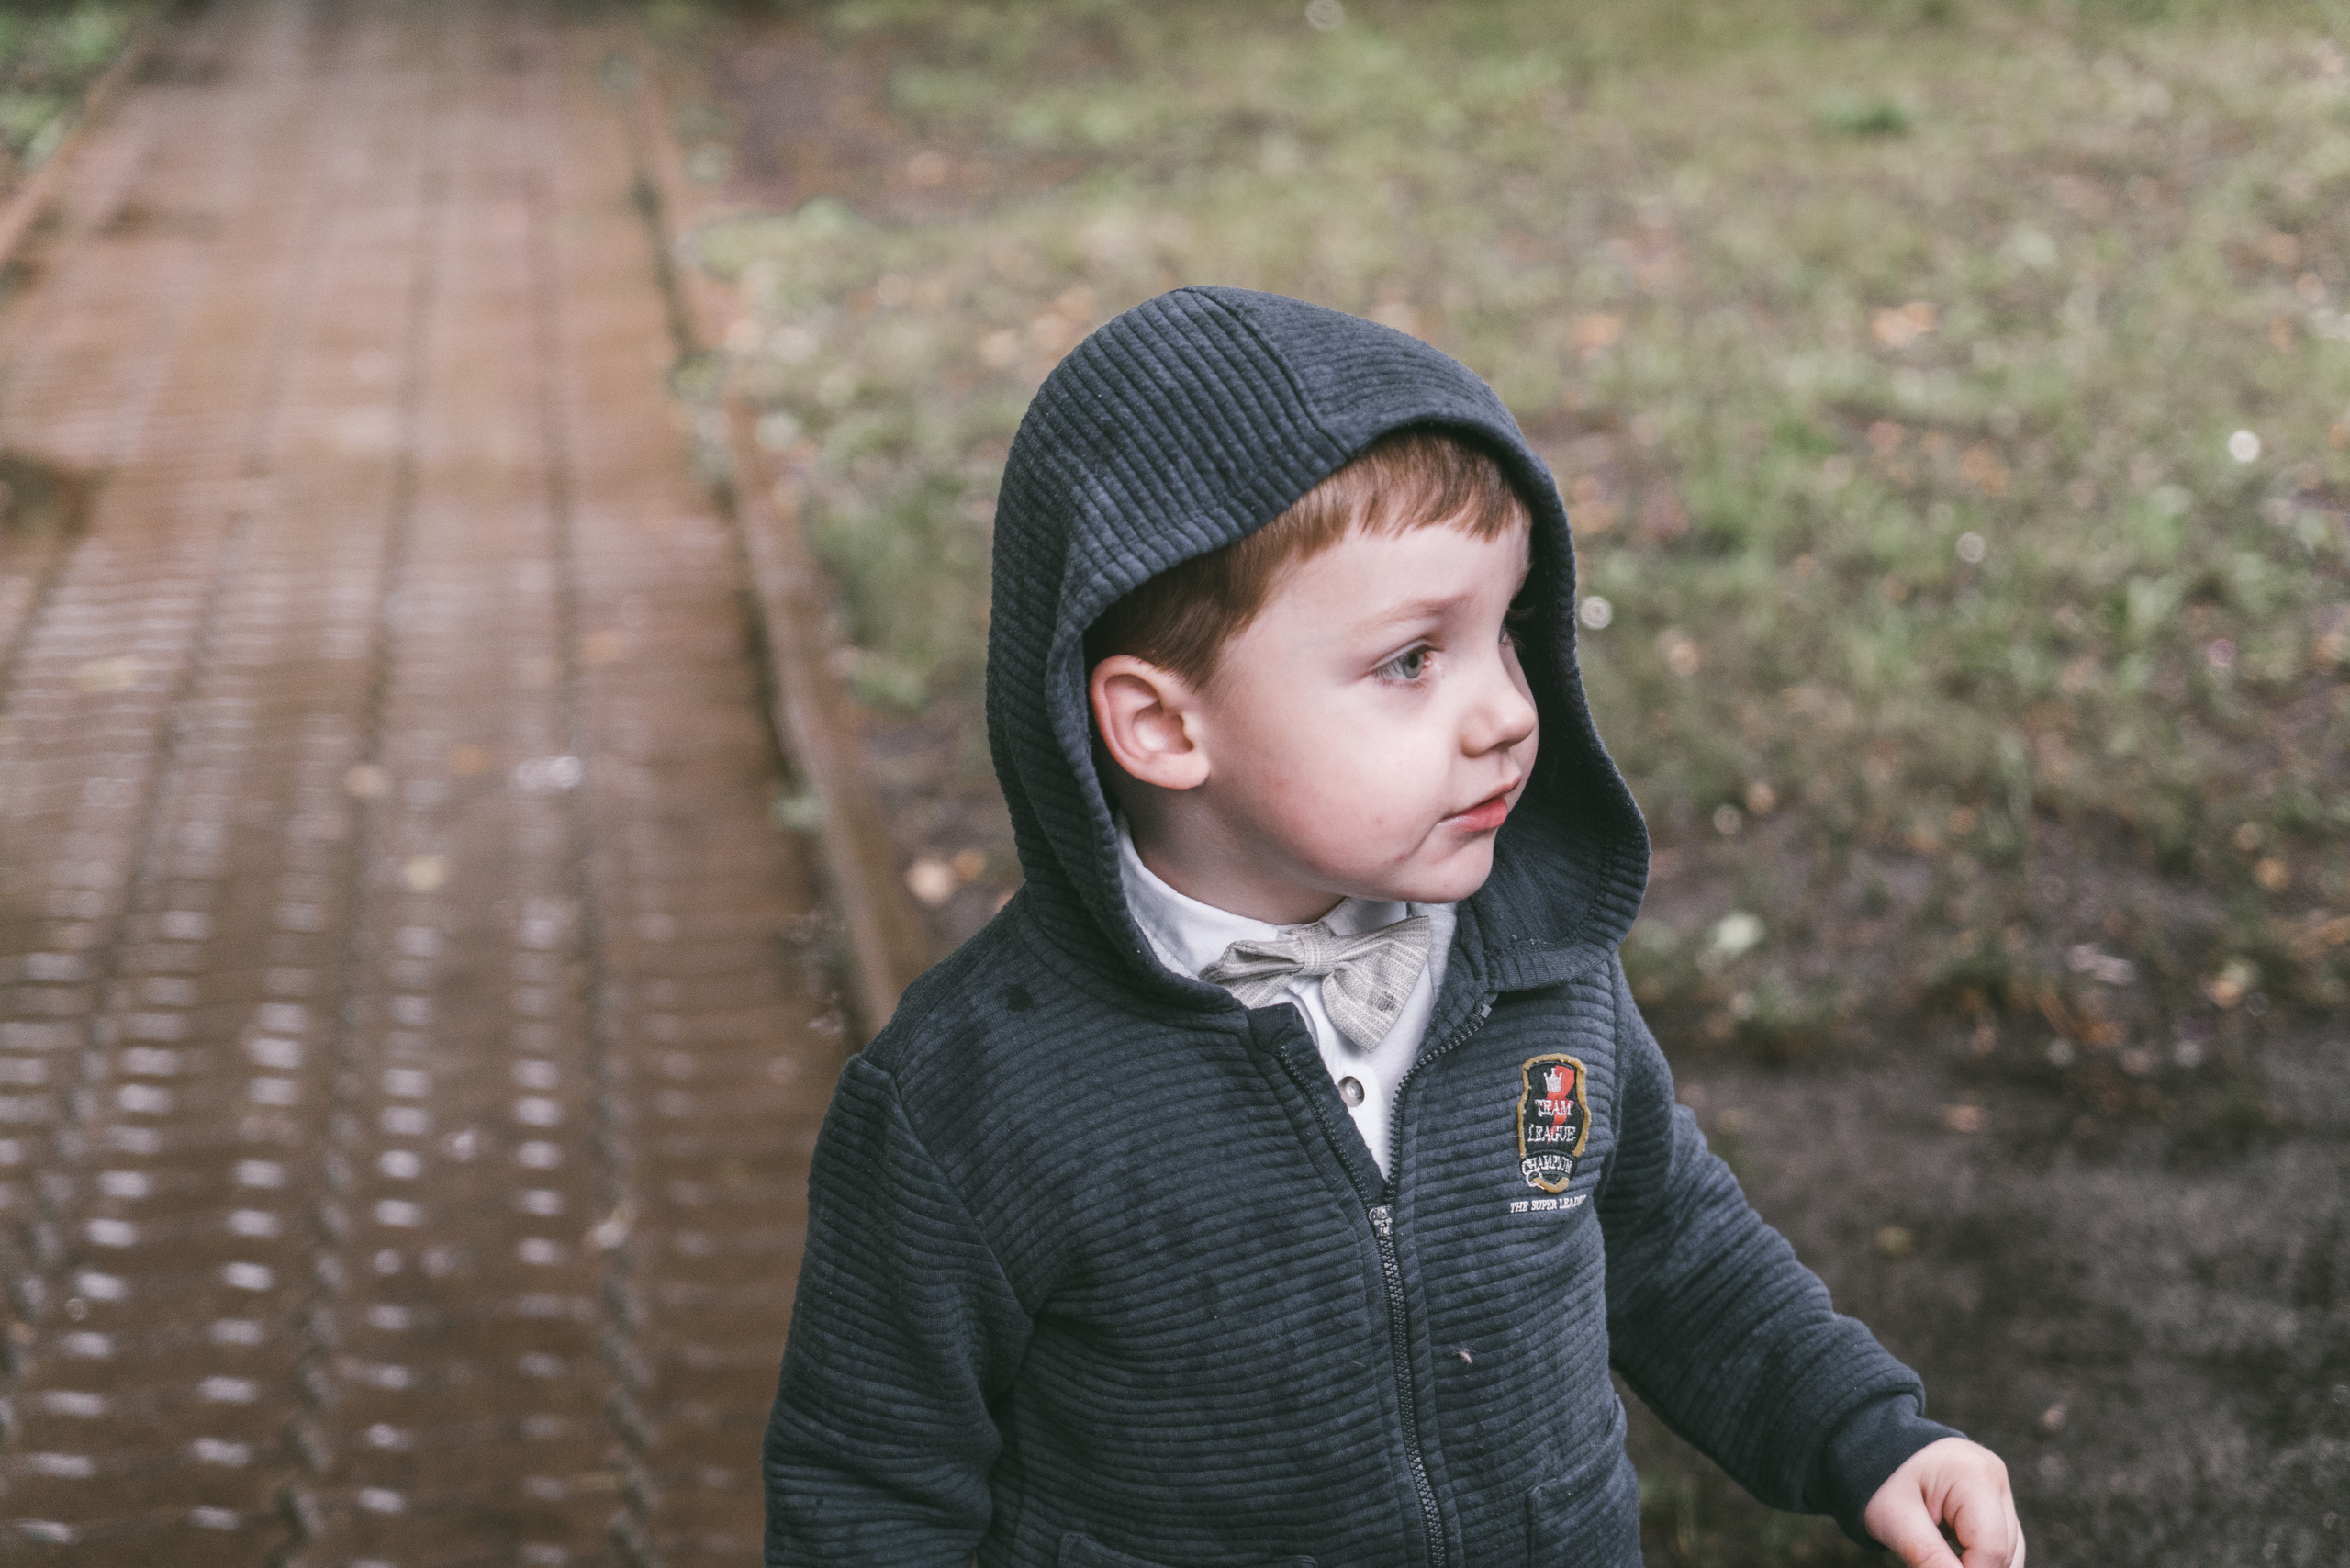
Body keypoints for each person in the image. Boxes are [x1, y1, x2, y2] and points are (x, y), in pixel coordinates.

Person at [761, 286, 2023, 1568]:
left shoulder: (1538, 970)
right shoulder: (974, 1100)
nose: (1506, 714)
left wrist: (1873, 1436)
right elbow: (869, 1488)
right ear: (1162, 726)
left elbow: (1668, 1246)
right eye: (1413, 659)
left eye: (1508, 631)